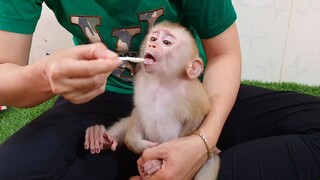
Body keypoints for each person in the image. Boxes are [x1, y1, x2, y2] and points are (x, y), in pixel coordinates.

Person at [0, 0, 319, 179]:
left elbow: (224, 54)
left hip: (190, 97)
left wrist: (201, 143)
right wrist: (44, 76)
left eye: (164, 41)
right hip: (100, 99)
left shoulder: (192, 77)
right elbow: (5, 75)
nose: (151, 43)